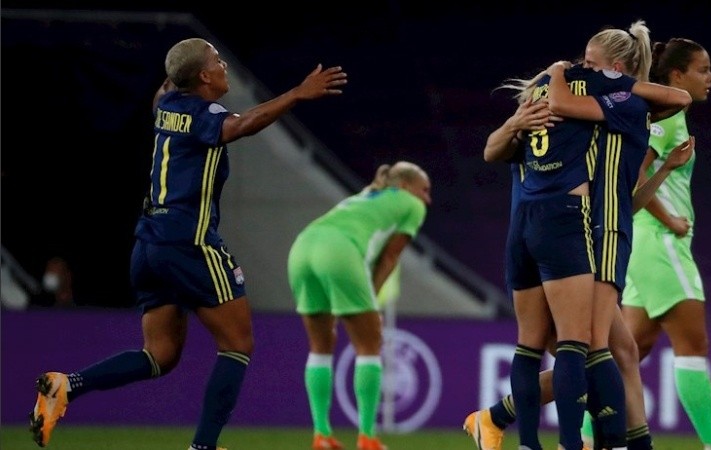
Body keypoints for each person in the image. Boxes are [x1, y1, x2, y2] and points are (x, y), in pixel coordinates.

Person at [28, 37, 347, 450]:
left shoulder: (166, 106)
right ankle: (203, 447)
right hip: (189, 241)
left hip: (148, 244)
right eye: (217, 60)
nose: (224, 65)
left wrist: (181, 62)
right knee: (238, 344)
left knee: (159, 355)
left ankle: (66, 386)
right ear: (203, 76)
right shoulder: (203, 112)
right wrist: (297, 94)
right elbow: (240, 125)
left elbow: (170, 81)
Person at [464, 20, 692, 450]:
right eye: (581, 64)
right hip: (588, 229)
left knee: (608, 351)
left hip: (603, 226)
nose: (578, 69)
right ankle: (593, 440)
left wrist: (663, 170)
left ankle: (505, 423)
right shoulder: (585, 110)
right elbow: (498, 146)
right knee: (594, 348)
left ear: (614, 69)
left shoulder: (621, 111)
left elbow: (628, 199)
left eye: (588, 64)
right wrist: (530, 103)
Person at [620, 39, 711, 450]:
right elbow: (632, 174)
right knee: (693, 344)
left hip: (640, 245)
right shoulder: (670, 117)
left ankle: (585, 438)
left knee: (629, 351)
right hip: (659, 243)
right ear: (677, 76)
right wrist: (670, 220)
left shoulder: (668, 117)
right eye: (702, 69)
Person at [288, 161, 431, 450]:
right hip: (339, 251)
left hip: (302, 247)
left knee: (320, 346)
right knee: (369, 345)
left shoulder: (366, 195)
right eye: (424, 190)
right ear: (405, 186)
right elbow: (390, 257)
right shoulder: (412, 205)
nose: (428, 198)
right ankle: (367, 438)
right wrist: (372, 300)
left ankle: (321, 435)